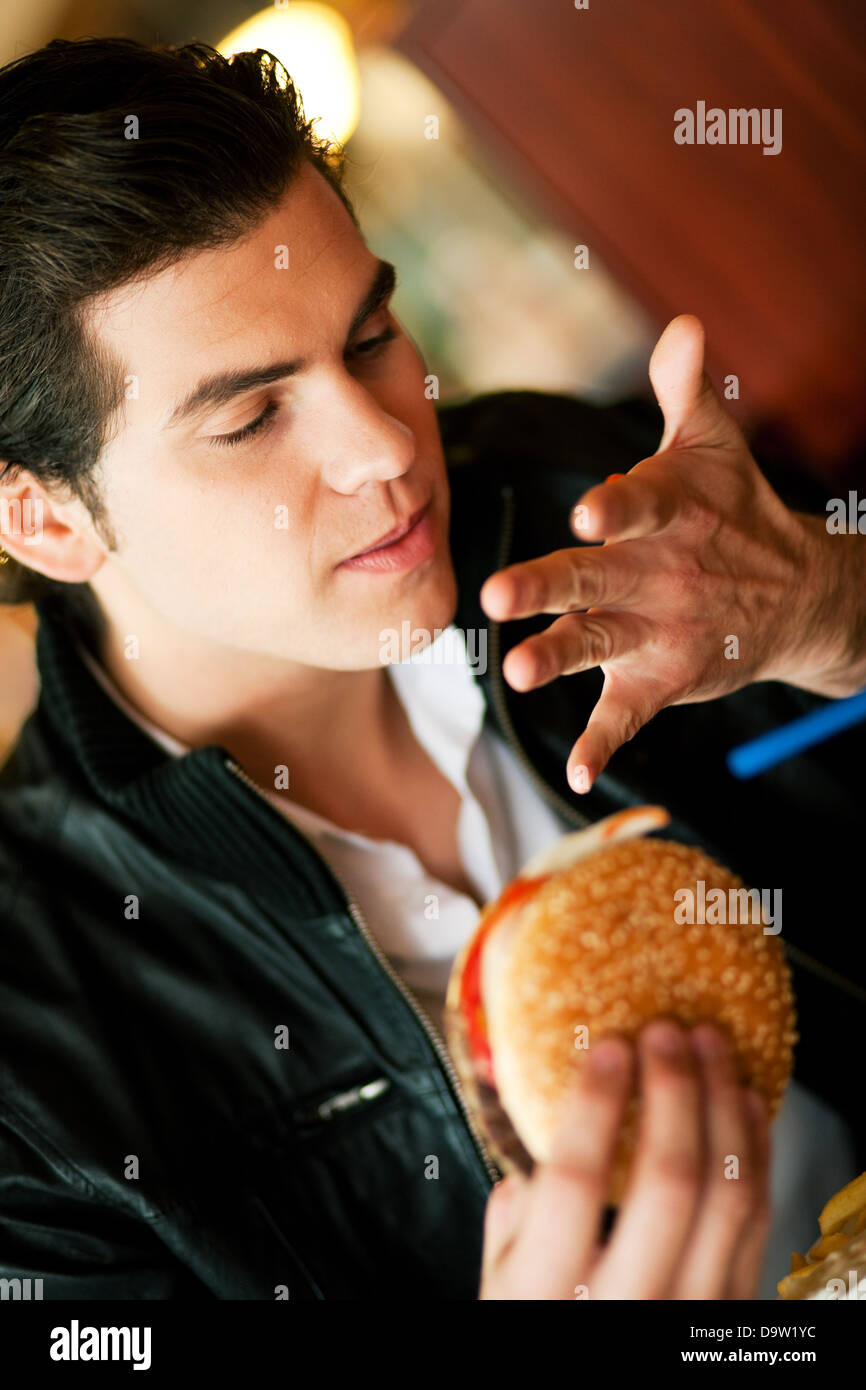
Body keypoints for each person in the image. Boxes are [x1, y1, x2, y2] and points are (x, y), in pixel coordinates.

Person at [0, 36, 862, 1301]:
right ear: (46, 522)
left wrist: (838, 609)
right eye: (250, 417)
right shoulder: (34, 1085)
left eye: (367, 338)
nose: (389, 447)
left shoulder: (579, 494)